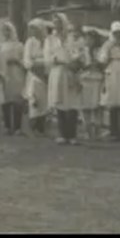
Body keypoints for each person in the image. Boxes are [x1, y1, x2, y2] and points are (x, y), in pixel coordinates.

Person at [45, 13, 85, 145]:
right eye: (55, 22)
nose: (57, 24)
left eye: (59, 22)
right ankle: (62, 134)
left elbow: (77, 53)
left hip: (70, 72)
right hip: (57, 72)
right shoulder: (50, 39)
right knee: (60, 103)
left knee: (72, 103)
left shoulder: (71, 38)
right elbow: (47, 57)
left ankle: (72, 135)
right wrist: (55, 60)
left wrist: (74, 62)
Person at [99, 21, 120, 141]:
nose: (118, 35)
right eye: (115, 33)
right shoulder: (107, 44)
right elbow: (102, 59)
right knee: (113, 100)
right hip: (112, 70)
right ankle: (113, 130)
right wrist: (110, 49)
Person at [22, 19, 49, 136]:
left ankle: (42, 127)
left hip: (46, 74)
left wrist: (44, 67)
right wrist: (33, 66)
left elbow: (50, 56)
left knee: (45, 101)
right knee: (34, 99)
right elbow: (26, 59)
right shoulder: (30, 42)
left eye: (36, 29)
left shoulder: (48, 41)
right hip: (34, 74)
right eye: (32, 29)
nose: (34, 32)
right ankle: (32, 127)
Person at [0, 22, 27, 136]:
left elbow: (24, 61)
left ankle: (17, 127)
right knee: (5, 100)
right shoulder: (1, 46)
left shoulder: (19, 45)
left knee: (16, 100)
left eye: (8, 30)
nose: (6, 33)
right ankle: (7, 126)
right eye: (4, 30)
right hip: (5, 73)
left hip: (16, 72)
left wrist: (16, 61)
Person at [79, 28, 106, 141]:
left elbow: (103, 63)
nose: (89, 41)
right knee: (85, 107)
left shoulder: (100, 51)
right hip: (85, 80)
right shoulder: (81, 51)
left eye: (92, 38)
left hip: (97, 79)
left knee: (97, 106)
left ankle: (98, 131)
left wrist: (98, 64)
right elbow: (79, 65)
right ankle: (87, 131)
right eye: (87, 38)